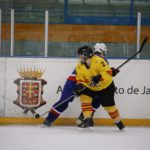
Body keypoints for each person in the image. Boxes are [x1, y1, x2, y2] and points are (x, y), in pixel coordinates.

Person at [74, 45, 125, 130]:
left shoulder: (99, 61)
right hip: (92, 88)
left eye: (80, 55)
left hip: (106, 87)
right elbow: (80, 79)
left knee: (108, 106)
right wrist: (79, 86)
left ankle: (118, 121)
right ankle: (88, 119)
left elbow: (109, 73)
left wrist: (99, 77)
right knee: (84, 95)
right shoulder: (79, 66)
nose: (79, 57)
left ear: (85, 55)